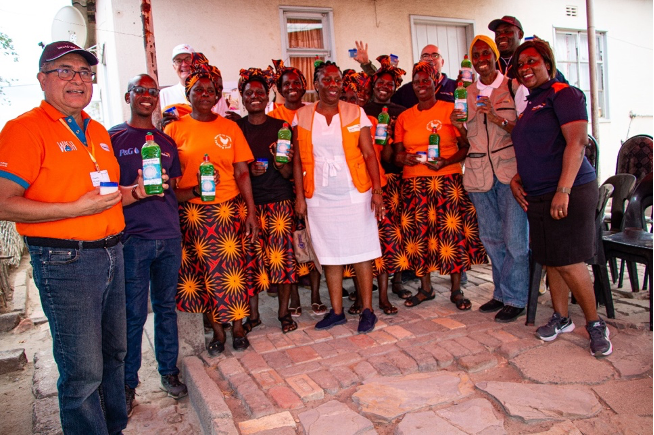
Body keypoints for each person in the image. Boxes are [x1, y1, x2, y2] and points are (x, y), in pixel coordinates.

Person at [0, 41, 155, 434]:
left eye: (85, 73)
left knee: (116, 355)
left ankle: (114, 427)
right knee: (82, 371)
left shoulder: (97, 129)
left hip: (113, 253)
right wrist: (73, 210)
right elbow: (3, 203)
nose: (78, 80)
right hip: (65, 262)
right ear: (42, 79)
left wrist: (135, 192)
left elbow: (101, 196)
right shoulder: (23, 130)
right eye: (65, 71)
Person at [509, 40, 612, 357]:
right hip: (537, 193)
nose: (525, 68)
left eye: (532, 61)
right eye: (520, 65)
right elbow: (534, 147)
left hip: (569, 190)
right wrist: (518, 177)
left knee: (568, 259)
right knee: (549, 256)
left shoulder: (564, 94)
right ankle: (561, 317)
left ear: (547, 62)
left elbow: (577, 143)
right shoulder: (531, 104)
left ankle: (595, 324)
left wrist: (563, 190)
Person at [165, 53, 259, 355]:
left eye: (210, 90)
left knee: (233, 273)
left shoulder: (230, 128)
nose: (204, 95)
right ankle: (217, 332)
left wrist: (251, 212)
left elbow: (242, 172)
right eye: (198, 90)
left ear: (218, 95)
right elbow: (168, 175)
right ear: (188, 94)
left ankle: (238, 327)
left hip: (228, 209)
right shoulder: (174, 128)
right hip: (191, 212)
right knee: (204, 274)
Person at [108, 73, 187, 417]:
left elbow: (176, 190)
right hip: (132, 239)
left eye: (152, 91)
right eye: (139, 90)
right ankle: (128, 385)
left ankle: (168, 372)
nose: (146, 95)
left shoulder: (166, 141)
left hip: (169, 235)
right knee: (134, 315)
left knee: (167, 309)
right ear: (128, 97)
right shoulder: (113, 137)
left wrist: (199, 187)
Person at [293, 61, 384, 333]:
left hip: (355, 192)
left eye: (337, 80)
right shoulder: (303, 115)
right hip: (319, 195)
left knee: (362, 252)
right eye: (327, 80)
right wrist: (299, 195)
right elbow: (297, 160)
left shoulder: (356, 112)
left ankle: (367, 310)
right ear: (316, 83)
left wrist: (377, 191)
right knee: (329, 252)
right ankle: (336, 311)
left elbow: (369, 154)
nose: (333, 85)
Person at [394, 61, 487, 311]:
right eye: (417, 82)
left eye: (426, 80)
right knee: (419, 235)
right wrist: (403, 158)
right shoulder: (404, 117)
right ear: (412, 86)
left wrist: (446, 160)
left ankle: (456, 290)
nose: (422, 85)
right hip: (414, 183)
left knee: (452, 235)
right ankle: (426, 288)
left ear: (436, 82)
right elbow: (397, 154)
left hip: (448, 181)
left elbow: (467, 146)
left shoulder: (451, 110)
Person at [450, 36, 529, 323]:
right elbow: (465, 138)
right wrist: (457, 124)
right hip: (478, 173)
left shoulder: (513, 87)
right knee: (492, 238)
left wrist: (496, 118)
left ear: (496, 57)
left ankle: (517, 297)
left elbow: (524, 129)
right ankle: (501, 293)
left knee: (515, 240)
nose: (482, 58)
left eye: (487, 53)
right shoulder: (464, 92)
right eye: (476, 54)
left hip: (510, 174)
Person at [235, 67, 299, 334]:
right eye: (249, 92)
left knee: (282, 262)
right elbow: (232, 169)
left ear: (269, 95)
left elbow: (288, 171)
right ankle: (253, 315)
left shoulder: (281, 128)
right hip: (246, 205)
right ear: (242, 96)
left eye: (260, 92)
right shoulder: (235, 128)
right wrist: (248, 171)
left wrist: (277, 162)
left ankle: (284, 313)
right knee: (249, 262)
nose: (254, 97)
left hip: (279, 202)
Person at [268, 60, 327, 316]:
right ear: (279, 89)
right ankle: (293, 298)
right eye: (286, 84)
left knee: (314, 242)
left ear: (305, 86)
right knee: (290, 246)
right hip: (283, 188)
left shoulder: (315, 111)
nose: (292, 87)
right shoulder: (273, 116)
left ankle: (315, 295)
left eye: (296, 83)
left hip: (313, 185)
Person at [353, 41, 457, 107]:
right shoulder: (407, 90)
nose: (430, 59)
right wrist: (367, 65)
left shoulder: (456, 86)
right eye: (425, 55)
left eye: (435, 55)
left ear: (442, 62)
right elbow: (382, 92)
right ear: (420, 61)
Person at [159, 44, 233, 126]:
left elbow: (224, 124)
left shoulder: (213, 94)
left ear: (196, 63)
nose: (184, 64)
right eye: (178, 60)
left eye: (188, 59)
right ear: (174, 67)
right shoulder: (164, 94)